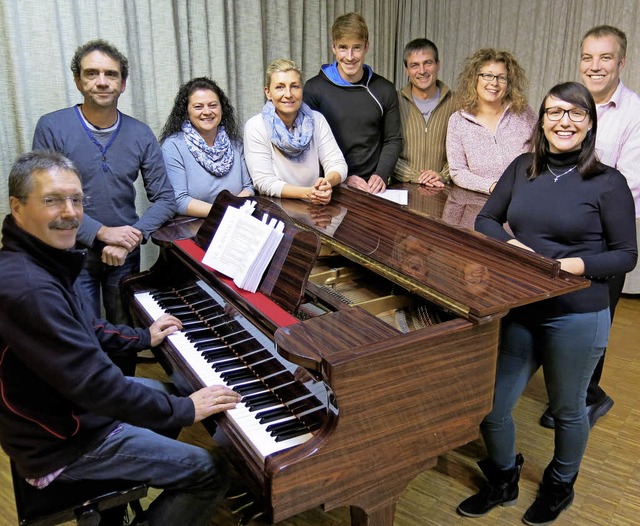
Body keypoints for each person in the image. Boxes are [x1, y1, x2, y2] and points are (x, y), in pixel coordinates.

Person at [0, 150, 242, 526]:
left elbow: (82, 327)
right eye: (52, 200)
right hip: (62, 441)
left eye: (76, 200)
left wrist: (142, 337)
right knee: (212, 470)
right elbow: (97, 386)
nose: (69, 212)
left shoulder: (34, 261)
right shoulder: (30, 289)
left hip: (59, 413)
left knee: (172, 395)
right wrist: (186, 411)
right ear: (17, 207)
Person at [459, 82, 636, 525]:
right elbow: (485, 218)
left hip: (576, 313)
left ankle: (560, 485)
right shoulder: (523, 168)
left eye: (577, 114)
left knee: (568, 407)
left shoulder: (608, 182)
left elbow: (626, 255)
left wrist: (574, 265)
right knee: (491, 406)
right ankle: (503, 477)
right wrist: (514, 246)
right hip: (521, 306)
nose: (565, 121)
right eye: (555, 112)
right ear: (542, 120)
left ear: (590, 124)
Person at [32, 39, 176, 333]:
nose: (101, 82)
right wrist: (101, 232)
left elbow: (165, 199)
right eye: (91, 73)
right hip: (70, 251)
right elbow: (45, 199)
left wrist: (131, 238)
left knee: (124, 329)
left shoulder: (140, 133)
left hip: (123, 254)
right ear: (77, 81)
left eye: (111, 74)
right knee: (80, 331)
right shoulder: (52, 127)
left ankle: (126, 381)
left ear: (123, 84)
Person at [540, 25, 640, 430]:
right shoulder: (567, 103)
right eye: (587, 57)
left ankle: (587, 396)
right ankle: (568, 388)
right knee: (562, 314)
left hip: (604, 238)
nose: (594, 66)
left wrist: (572, 206)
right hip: (561, 229)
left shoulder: (635, 113)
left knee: (596, 315)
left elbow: (629, 181)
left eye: (604, 57)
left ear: (621, 62)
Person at [303, 12, 402, 194]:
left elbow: (393, 139)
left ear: (366, 47)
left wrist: (380, 174)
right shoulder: (313, 89)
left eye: (356, 48)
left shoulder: (384, 89)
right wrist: (341, 177)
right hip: (330, 186)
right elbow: (308, 146)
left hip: (373, 188)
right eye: (343, 48)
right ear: (333, 48)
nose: (349, 57)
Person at [244, 59, 347, 204]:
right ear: (268, 92)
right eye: (280, 87)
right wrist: (308, 192)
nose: (288, 94)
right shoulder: (256, 126)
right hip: (277, 207)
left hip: (315, 203)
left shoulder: (317, 120)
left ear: (302, 89)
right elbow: (264, 182)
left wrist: (326, 183)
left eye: (295, 86)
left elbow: (337, 164)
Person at [160, 77, 254, 217]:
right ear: (186, 112)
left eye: (213, 105)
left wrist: (234, 213)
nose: (207, 112)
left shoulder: (235, 143)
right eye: (198, 107)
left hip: (237, 221)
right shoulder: (173, 146)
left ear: (222, 108)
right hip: (196, 227)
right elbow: (179, 201)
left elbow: (249, 187)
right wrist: (225, 212)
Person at [446, 48, 536, 194]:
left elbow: (541, 155)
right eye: (487, 76)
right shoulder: (458, 121)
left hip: (523, 200)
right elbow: (458, 171)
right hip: (478, 204)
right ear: (474, 79)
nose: (494, 83)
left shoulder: (524, 113)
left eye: (501, 77)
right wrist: (493, 186)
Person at [394, 38, 456, 188]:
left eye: (427, 63)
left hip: (443, 189)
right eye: (414, 65)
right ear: (406, 70)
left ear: (438, 65)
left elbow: (465, 152)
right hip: (402, 189)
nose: (422, 71)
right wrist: (415, 176)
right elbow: (385, 149)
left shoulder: (457, 102)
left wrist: (442, 175)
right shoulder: (394, 101)